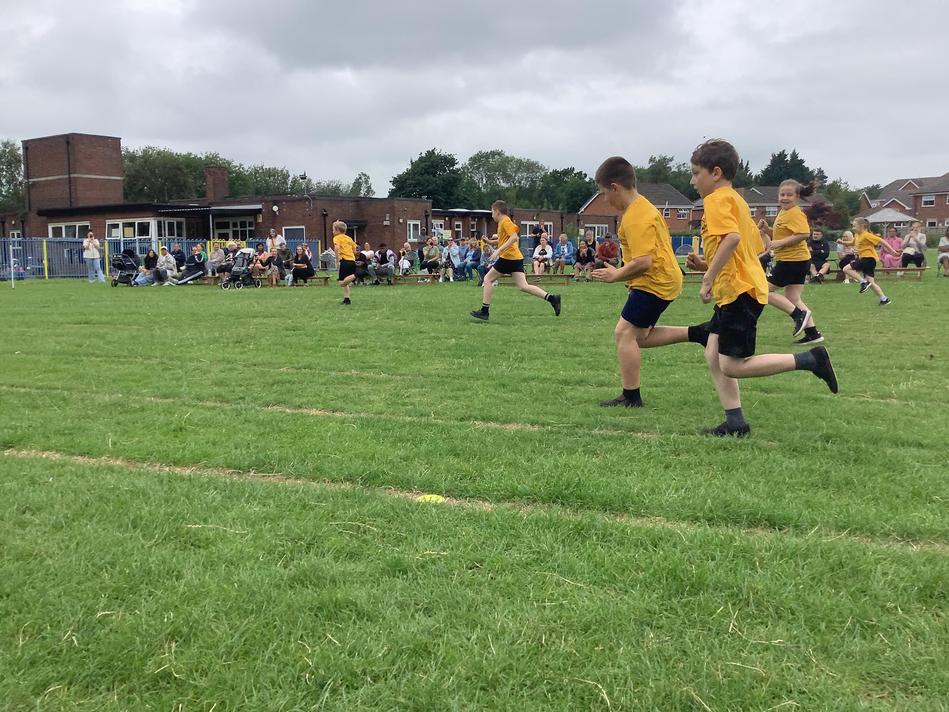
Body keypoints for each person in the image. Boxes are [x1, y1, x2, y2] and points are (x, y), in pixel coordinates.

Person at [685, 139, 837, 437]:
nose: (692, 181)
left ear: (715, 173)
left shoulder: (716, 200)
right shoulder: (737, 201)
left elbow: (731, 239)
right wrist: (706, 265)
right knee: (713, 353)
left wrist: (707, 277)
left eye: (695, 173)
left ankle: (810, 360)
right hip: (739, 288)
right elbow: (747, 250)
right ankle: (736, 423)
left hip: (739, 292)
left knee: (732, 365)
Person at [590, 156, 706, 408]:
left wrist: (616, 275)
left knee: (624, 334)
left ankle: (631, 397)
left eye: (604, 193)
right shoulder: (641, 208)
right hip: (660, 280)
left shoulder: (637, 216)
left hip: (655, 282)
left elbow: (644, 261)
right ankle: (699, 333)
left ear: (615, 187)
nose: (605, 200)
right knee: (639, 337)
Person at [756, 178, 824, 345]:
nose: (785, 198)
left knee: (763, 290)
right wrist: (768, 230)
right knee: (793, 297)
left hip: (792, 260)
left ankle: (798, 315)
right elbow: (785, 234)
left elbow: (803, 233)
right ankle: (813, 334)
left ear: (797, 197)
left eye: (789, 195)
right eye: (782, 194)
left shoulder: (794, 212)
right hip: (797, 261)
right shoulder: (784, 212)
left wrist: (779, 243)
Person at [470, 200, 561, 321]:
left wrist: (498, 250)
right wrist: (490, 242)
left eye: (492, 212)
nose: (491, 215)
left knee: (487, 279)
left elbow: (514, 238)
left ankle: (484, 311)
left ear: (497, 211)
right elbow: (504, 239)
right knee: (523, 286)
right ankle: (552, 298)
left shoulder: (505, 221)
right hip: (516, 258)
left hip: (508, 258)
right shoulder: (503, 222)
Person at [841, 217, 899, 305]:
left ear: (862, 226)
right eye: (852, 226)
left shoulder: (866, 235)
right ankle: (884, 299)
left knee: (846, 269)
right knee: (871, 283)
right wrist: (842, 242)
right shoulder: (857, 235)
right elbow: (852, 243)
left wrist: (892, 251)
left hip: (868, 259)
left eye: (855, 226)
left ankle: (863, 282)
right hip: (865, 259)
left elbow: (881, 241)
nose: (853, 228)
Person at [333, 220, 357, 305]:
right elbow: (355, 250)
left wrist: (337, 261)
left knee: (341, 283)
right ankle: (347, 299)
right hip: (352, 261)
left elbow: (337, 248)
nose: (332, 231)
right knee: (345, 282)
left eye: (333, 230)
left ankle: (356, 275)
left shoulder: (337, 238)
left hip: (344, 261)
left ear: (337, 230)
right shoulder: (349, 238)